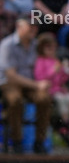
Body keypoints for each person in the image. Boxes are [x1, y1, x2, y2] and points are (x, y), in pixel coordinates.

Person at [1, 15, 53, 153]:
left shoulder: (36, 46)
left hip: (30, 83)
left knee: (44, 99)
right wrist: (37, 85)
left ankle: (40, 142)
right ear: (19, 27)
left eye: (36, 27)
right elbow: (11, 76)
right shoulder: (7, 45)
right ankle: (17, 141)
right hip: (9, 84)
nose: (34, 29)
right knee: (15, 100)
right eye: (31, 26)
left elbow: (44, 66)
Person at [33, 32, 69, 152]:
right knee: (60, 99)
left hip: (58, 89)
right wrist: (53, 71)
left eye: (54, 47)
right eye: (49, 47)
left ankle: (65, 122)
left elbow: (61, 80)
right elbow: (40, 77)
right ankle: (66, 124)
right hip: (48, 91)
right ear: (42, 48)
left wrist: (66, 71)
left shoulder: (55, 61)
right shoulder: (41, 61)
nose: (52, 50)